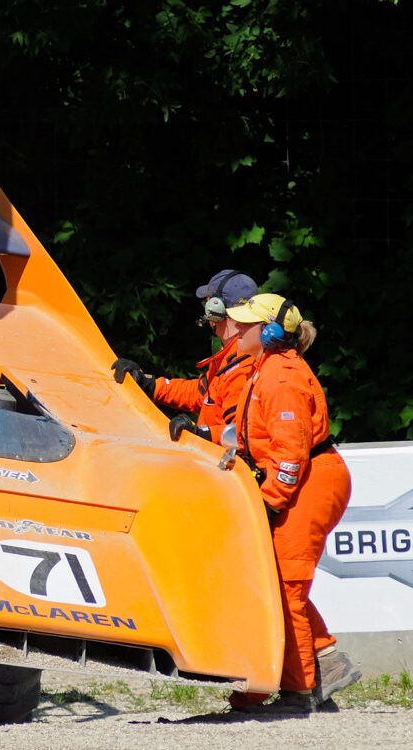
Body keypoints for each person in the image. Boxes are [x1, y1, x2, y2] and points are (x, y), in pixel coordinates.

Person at [223, 292, 361, 713]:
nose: (234, 328)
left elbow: (289, 453)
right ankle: (325, 663)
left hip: (310, 482)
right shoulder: (265, 369)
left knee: (287, 585)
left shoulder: (280, 378)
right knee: (280, 582)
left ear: (267, 332)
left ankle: (299, 691)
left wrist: (270, 502)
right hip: (306, 478)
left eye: (244, 323)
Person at [111, 269, 259, 444]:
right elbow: (201, 393)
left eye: (207, 302)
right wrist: (151, 385)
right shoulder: (231, 355)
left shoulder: (241, 366)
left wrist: (199, 433)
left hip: (223, 466)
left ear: (215, 308)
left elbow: (241, 435)